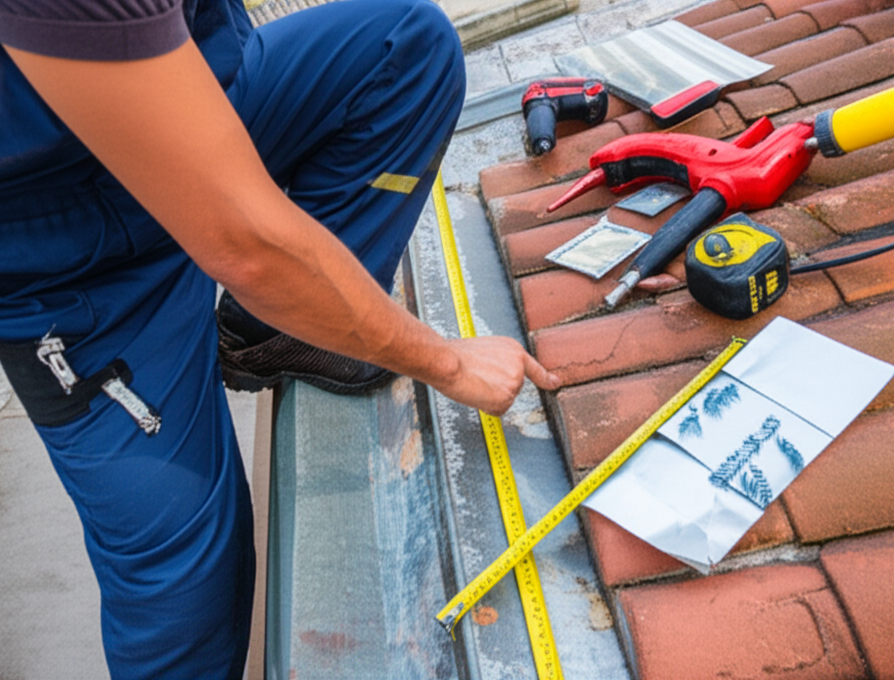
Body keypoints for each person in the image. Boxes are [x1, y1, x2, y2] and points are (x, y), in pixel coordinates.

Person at [0, 0, 560, 677]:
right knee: (186, 580)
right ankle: (291, 307)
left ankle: (275, 332)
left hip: (195, 97)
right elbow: (246, 245)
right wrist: (447, 363)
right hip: (65, 260)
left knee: (403, 52)